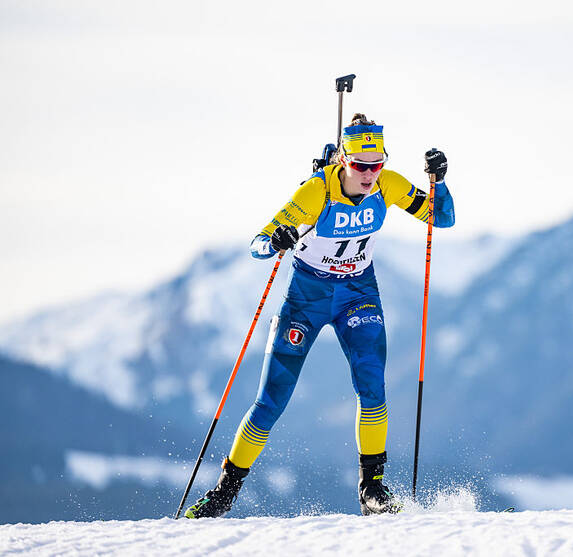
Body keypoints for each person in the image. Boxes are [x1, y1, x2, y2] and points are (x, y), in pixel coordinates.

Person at [185, 113, 455, 518]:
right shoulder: (316, 192)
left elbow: (442, 217)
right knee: (271, 401)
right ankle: (225, 490)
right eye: (361, 166)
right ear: (343, 160)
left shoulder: (390, 185)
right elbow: (258, 243)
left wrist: (440, 182)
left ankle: (372, 488)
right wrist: (276, 239)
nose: (369, 174)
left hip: (358, 294)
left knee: (372, 386)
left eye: (376, 164)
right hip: (306, 298)